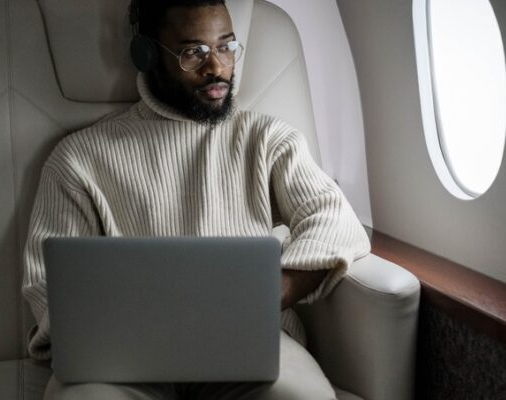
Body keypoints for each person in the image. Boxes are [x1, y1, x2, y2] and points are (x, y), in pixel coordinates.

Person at [22, 0, 370, 398]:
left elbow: (335, 218)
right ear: (147, 55)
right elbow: (46, 287)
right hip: (122, 359)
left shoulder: (269, 140)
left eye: (226, 46)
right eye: (193, 53)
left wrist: (275, 288)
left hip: (247, 343)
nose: (216, 68)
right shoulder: (78, 159)